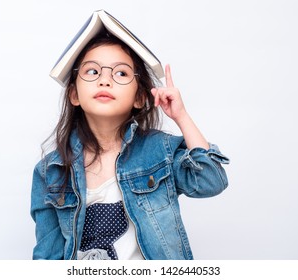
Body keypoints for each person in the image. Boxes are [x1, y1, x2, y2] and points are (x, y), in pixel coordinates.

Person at [31, 31, 230, 260]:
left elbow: (211, 181)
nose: (104, 80)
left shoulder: (159, 151)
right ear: (74, 94)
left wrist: (181, 116)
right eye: (92, 71)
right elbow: (48, 256)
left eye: (121, 73)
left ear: (139, 98)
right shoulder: (50, 171)